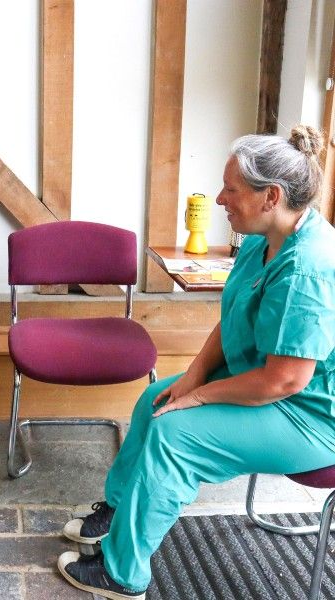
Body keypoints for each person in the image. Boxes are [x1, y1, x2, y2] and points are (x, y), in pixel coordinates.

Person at [57, 125, 335, 599]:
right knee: (155, 399)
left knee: (174, 436)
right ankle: (120, 511)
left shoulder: (307, 267)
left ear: (271, 196)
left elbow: (284, 381)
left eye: (232, 189)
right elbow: (231, 321)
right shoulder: (260, 237)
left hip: (309, 415)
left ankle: (122, 575)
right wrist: (193, 376)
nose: (220, 198)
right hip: (264, 383)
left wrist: (202, 395)